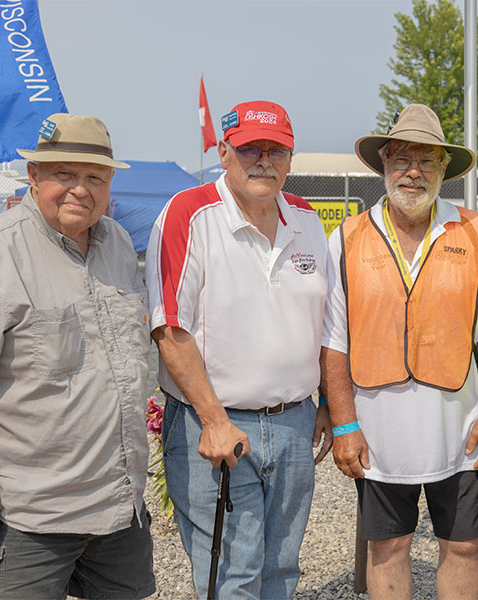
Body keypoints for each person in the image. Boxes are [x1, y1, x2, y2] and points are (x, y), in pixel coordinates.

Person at [321, 103, 478, 600]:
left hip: (462, 428)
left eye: (426, 161)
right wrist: (343, 424)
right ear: (383, 165)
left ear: (444, 169)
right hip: (378, 430)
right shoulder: (346, 237)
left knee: (465, 547)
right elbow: (333, 340)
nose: (412, 172)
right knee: (388, 547)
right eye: (401, 158)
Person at [146, 100, 332, 599]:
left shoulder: (307, 218)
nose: (264, 161)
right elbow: (169, 329)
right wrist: (213, 420)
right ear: (224, 152)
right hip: (217, 421)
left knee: (281, 570)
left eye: (277, 150)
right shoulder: (190, 213)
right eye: (250, 148)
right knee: (233, 573)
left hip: (294, 422)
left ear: (291, 159)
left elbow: (326, 323)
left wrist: (329, 405)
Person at [0, 114, 154, 598]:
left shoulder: (116, 248)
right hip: (25, 517)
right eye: (64, 175)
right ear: (34, 176)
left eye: (95, 178)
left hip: (118, 510)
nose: (80, 190)